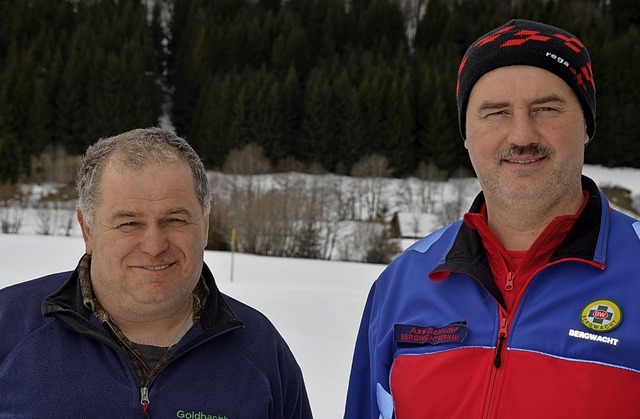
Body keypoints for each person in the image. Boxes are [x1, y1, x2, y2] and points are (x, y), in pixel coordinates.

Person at [344, 19, 640, 418]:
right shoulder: (401, 283)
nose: (521, 135)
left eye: (546, 108)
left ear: (585, 124)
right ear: (466, 132)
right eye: (495, 112)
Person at [0, 127, 313, 418]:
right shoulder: (10, 328)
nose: (154, 245)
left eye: (175, 220)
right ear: (87, 228)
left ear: (203, 226)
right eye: (129, 223)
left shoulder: (260, 349)